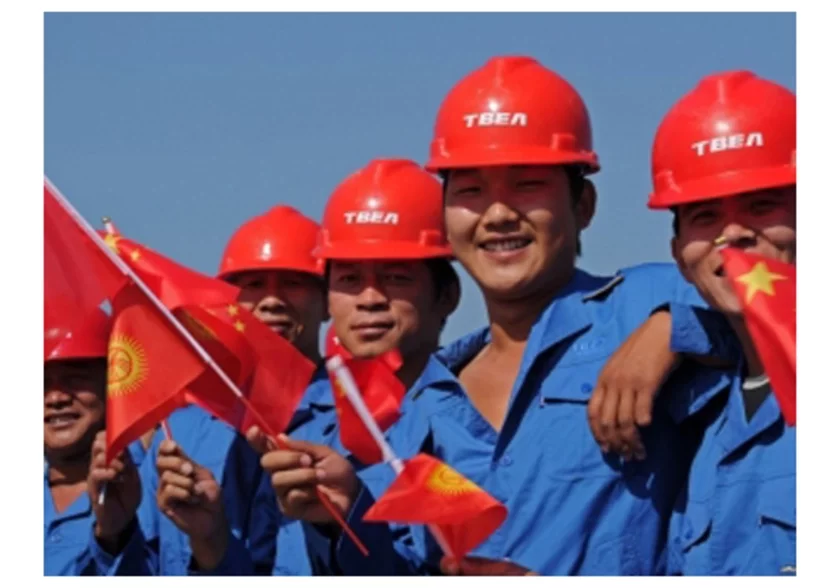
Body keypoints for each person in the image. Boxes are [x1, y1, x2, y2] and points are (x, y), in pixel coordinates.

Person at [251, 56, 725, 576]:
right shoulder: (430, 405)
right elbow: (414, 566)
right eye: (471, 191)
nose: (498, 214)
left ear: (584, 205)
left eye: (527, 185)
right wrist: (344, 512)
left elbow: (775, 326)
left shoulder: (649, 303)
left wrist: (673, 330)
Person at [244, 158, 461, 574]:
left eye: (396, 278)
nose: (369, 299)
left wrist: (350, 516)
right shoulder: (302, 432)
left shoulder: (465, 427)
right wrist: (210, 542)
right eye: (349, 279)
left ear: (447, 295)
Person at [87, 205, 328, 575]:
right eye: (253, 285)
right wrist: (114, 534)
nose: (271, 300)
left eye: (293, 283)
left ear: (327, 301)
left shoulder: (359, 421)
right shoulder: (180, 432)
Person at [639, 70, 796, 575]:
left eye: (762, 205)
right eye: (705, 216)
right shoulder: (703, 422)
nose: (733, 235)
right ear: (679, 256)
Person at [44, 308, 146, 575]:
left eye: (75, 379)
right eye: (40, 382)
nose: (56, 398)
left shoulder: (163, 489)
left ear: (112, 382)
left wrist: (115, 538)